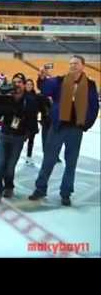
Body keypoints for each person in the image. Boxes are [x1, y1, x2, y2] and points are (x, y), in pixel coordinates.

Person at [29, 55, 99, 206]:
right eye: (70, 64)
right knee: (49, 159)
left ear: (83, 65)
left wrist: (85, 124)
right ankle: (40, 189)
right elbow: (46, 89)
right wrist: (41, 78)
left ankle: (66, 193)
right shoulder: (60, 81)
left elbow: (94, 106)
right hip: (58, 127)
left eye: (76, 63)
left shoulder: (90, 85)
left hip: (75, 129)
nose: (72, 66)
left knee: (71, 163)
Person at [0, 73, 39, 203]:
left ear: (24, 85)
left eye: (19, 82)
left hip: (18, 137)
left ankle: (9, 186)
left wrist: (28, 135)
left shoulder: (30, 100)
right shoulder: (5, 97)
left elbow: (32, 119)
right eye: (14, 82)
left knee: (10, 166)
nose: (16, 84)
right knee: (0, 164)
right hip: (4, 135)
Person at [23, 79, 41, 166]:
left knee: (31, 140)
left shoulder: (36, 96)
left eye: (30, 84)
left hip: (32, 121)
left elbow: (39, 108)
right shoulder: (21, 95)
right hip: (23, 121)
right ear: (25, 85)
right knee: (20, 140)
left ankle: (29, 157)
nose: (29, 86)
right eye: (27, 84)